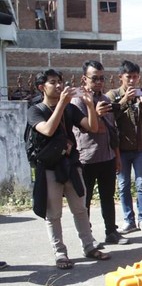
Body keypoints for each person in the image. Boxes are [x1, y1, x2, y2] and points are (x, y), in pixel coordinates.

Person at [28, 69, 110, 269]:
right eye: (53, 82)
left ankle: (89, 247)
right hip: (49, 168)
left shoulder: (70, 109)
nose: (58, 85)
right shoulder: (35, 110)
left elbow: (92, 127)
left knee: (80, 209)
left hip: (71, 165)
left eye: (60, 82)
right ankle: (60, 253)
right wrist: (62, 105)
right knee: (53, 214)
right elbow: (47, 129)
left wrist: (90, 106)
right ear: (42, 88)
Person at [72, 60, 129, 246]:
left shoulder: (105, 99)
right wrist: (94, 113)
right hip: (86, 158)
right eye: (94, 78)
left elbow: (112, 131)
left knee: (108, 197)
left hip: (107, 156)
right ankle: (88, 238)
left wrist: (117, 156)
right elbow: (90, 128)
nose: (98, 82)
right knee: (85, 201)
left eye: (101, 78)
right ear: (84, 79)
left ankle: (111, 232)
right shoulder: (77, 101)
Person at [106, 61, 142, 235]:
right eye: (129, 77)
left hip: (141, 148)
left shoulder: (141, 94)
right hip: (121, 149)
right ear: (121, 77)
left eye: (135, 77)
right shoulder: (112, 95)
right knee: (123, 185)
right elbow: (110, 117)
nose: (132, 81)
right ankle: (129, 220)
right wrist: (125, 100)